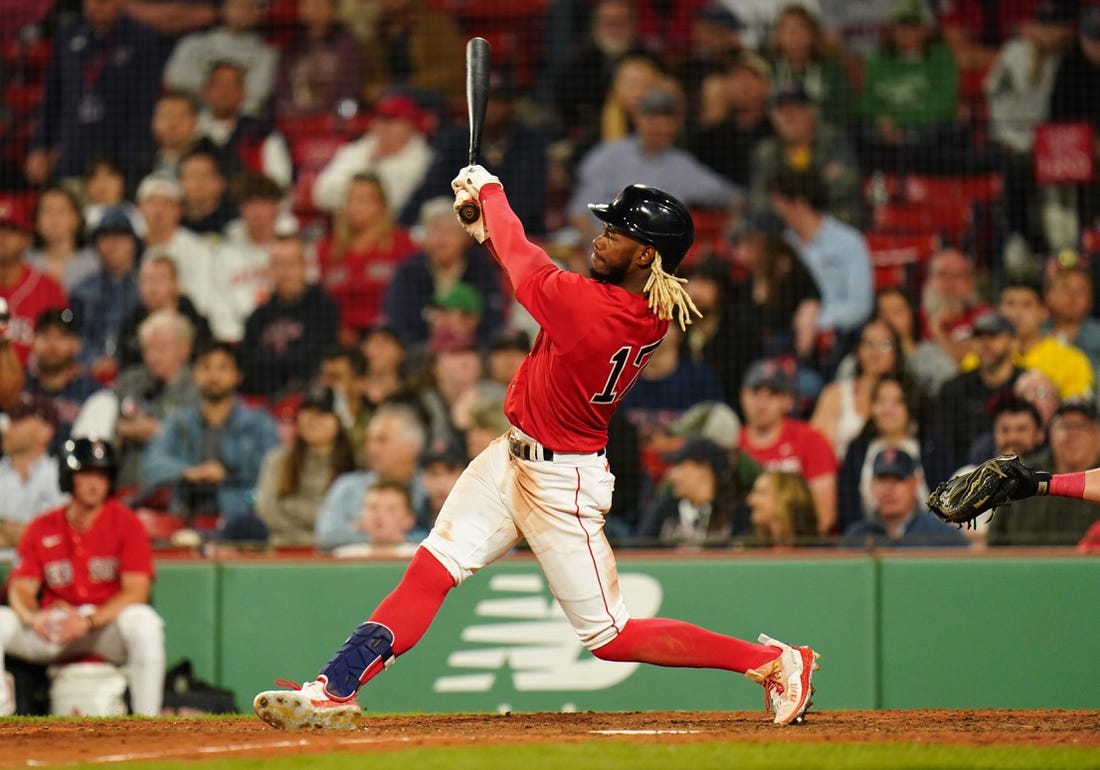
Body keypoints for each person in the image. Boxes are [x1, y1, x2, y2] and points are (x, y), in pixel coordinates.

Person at [253, 170, 819, 730]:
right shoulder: (638, 303)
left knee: (611, 638)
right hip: (512, 458)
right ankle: (333, 687)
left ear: (647, 256)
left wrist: (491, 193)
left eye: (616, 233)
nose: (599, 237)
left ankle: (774, 662)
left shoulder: (596, 310)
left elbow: (527, 263)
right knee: (430, 569)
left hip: (562, 484)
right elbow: (529, 269)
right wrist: (485, 231)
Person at [0, 438, 165, 717]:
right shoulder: (43, 525)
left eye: (102, 474)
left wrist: (88, 621)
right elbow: (21, 587)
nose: (94, 483)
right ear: (68, 476)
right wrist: (33, 617)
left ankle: (149, 721)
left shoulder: (126, 522)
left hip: (102, 628)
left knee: (145, 622)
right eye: (86, 473)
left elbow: (137, 590)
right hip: (55, 628)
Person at [140, 341, 280, 534]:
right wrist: (191, 472)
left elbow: (275, 469)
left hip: (242, 520)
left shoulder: (259, 423)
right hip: (186, 519)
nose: (214, 376)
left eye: (223, 368)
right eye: (206, 367)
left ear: (238, 375)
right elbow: (151, 465)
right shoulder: (178, 421)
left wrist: (228, 472)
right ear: (195, 374)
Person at [24, 0, 165, 186]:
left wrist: (132, 161)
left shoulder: (141, 38)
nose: (98, 4)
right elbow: (53, 96)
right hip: (73, 149)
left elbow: (145, 105)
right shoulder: (67, 34)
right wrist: (41, 146)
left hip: (118, 153)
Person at [738, 358, 838, 534]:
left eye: (772, 394)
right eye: (755, 392)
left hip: (803, 547)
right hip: (751, 547)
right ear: (743, 396)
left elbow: (825, 515)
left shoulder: (811, 440)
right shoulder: (734, 445)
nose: (761, 402)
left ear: (788, 400)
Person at [316, 173, 418, 343]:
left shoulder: (403, 245)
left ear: (382, 205)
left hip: (390, 338)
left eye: (365, 200)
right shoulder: (328, 250)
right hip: (338, 339)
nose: (357, 207)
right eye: (351, 200)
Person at [238, 231, 340, 398]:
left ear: (304, 266)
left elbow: (315, 360)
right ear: (269, 270)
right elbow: (248, 367)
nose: (285, 271)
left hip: (308, 397)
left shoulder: (324, 307)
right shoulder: (257, 317)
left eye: (291, 263)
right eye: (278, 264)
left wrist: (271, 362)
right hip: (265, 399)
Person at [314, 402, 430, 549]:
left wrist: (400, 539)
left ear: (411, 447)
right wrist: (376, 537)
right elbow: (326, 537)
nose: (371, 448)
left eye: (382, 440)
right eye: (369, 440)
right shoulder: (347, 487)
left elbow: (445, 542)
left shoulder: (428, 489)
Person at [986, 400, 1100, 546]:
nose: (1072, 435)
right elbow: (994, 540)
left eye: (1082, 427)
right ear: (1051, 433)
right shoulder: (1023, 474)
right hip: (1027, 567)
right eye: (1064, 426)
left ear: (1097, 434)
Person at [254, 386, 357, 547]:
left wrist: (289, 506)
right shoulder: (277, 460)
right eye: (307, 412)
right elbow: (267, 512)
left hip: (338, 557)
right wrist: (320, 535)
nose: (312, 419)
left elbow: (353, 522)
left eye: (322, 413)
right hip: (283, 550)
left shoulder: (354, 466)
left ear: (340, 420)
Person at [110, 309, 201, 490]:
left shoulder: (198, 388)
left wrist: (154, 429)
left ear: (185, 348)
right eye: (148, 349)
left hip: (176, 488)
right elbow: (107, 427)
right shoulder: (129, 382)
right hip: (124, 484)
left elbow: (197, 439)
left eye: (161, 348)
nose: (152, 357)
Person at [312, 91, 435, 216]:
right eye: (381, 119)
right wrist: (370, 162)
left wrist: (349, 195)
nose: (384, 127)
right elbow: (322, 195)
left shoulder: (423, 159)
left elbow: (393, 203)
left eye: (392, 120)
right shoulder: (357, 150)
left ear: (409, 125)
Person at [163, 0, 278, 117]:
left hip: (244, 123)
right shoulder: (193, 43)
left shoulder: (268, 54)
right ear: (223, 8)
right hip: (194, 119)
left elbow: (258, 94)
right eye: (237, 6)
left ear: (262, 12)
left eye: (251, 6)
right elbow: (175, 81)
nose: (243, 12)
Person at [838, 447, 969, 548]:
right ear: (872, 485)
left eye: (898, 479)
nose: (888, 489)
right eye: (882, 480)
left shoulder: (943, 536)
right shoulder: (854, 538)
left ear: (915, 483)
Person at [69, 207, 141, 381]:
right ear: (96, 244)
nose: (113, 243)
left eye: (121, 236)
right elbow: (70, 336)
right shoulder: (81, 290)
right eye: (106, 236)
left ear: (134, 243)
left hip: (135, 375)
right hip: (87, 375)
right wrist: (92, 360)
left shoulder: (146, 288)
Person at [0, 196, 68, 364]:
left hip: (34, 386)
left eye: (11, 229)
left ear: (27, 240)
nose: (2, 236)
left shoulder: (49, 290)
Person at [274, 0, 365, 121]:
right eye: (307, 3)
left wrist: (337, 113)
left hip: (335, 119)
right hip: (295, 119)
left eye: (319, 3)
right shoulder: (291, 43)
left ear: (332, 8)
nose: (313, 9)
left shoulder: (346, 43)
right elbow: (281, 88)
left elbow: (352, 89)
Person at [25, 308, 100, 454]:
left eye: (61, 337)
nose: (52, 345)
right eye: (45, 336)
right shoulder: (18, 385)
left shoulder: (91, 393)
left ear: (76, 344)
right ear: (33, 340)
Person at [0, 395, 66, 547]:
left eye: (17, 421)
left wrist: (20, 534)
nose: (7, 428)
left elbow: (61, 537)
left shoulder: (60, 477)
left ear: (45, 432)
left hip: (43, 567)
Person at [25, 187, 99, 292]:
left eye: (62, 210)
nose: (54, 218)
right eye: (47, 211)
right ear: (36, 222)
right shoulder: (25, 262)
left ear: (77, 219)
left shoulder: (94, 262)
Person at [331, 479, 424, 559]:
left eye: (391, 509)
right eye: (373, 507)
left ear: (409, 519)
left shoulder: (421, 558)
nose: (379, 515)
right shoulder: (343, 558)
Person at [745, 469, 818, 548]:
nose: (750, 500)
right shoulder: (747, 549)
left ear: (786, 497)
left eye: (761, 492)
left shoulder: (822, 552)